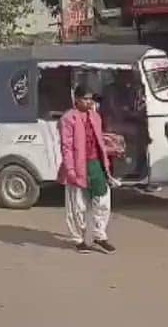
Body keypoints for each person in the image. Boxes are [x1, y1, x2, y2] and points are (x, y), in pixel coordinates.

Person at [58, 85, 115, 254]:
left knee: (103, 201)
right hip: (76, 165)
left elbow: (99, 140)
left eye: (91, 99)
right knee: (77, 205)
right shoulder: (68, 119)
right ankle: (78, 239)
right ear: (76, 99)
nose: (89, 102)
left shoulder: (95, 117)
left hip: (96, 163)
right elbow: (66, 147)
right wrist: (70, 170)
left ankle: (100, 235)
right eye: (85, 98)